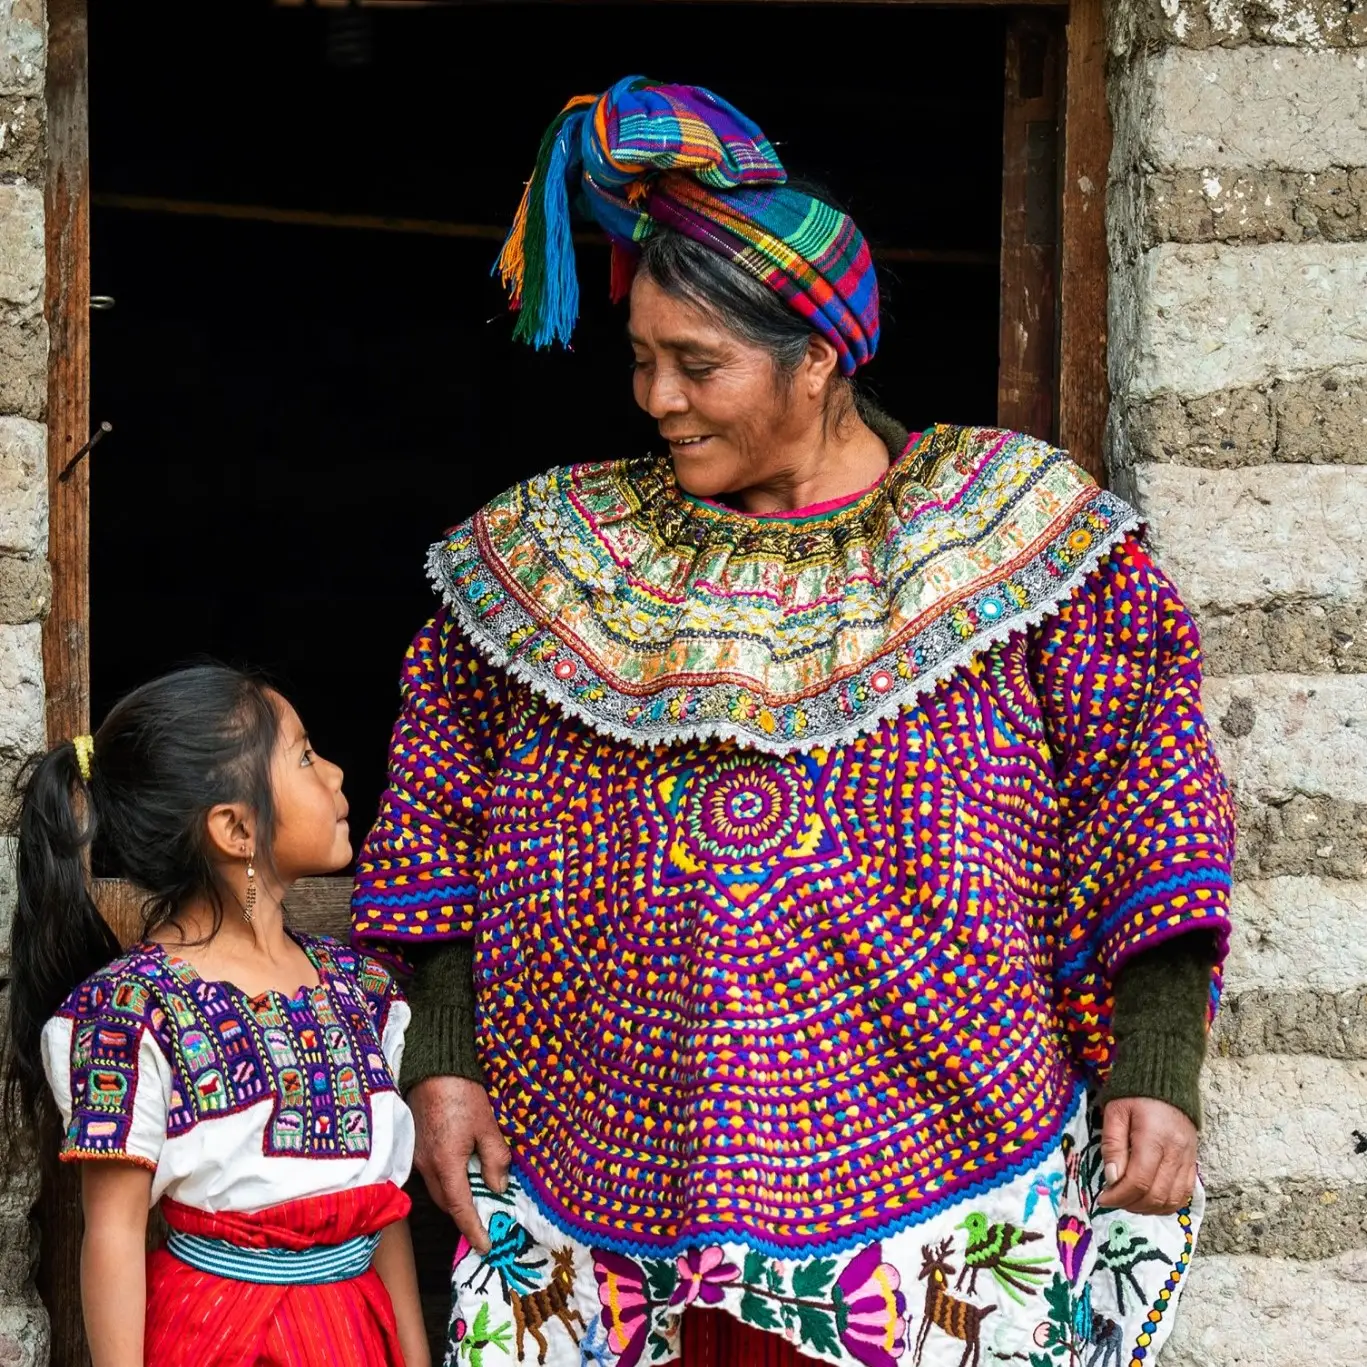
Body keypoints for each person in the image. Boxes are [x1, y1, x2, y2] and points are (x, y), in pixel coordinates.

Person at [353, 77, 1234, 1367]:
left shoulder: (1020, 532)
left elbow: (1147, 792)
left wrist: (1155, 1060)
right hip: (599, 1170)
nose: (655, 395)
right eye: (640, 357)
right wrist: (442, 1052)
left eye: (696, 363)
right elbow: (435, 808)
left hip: (945, 1171)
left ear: (818, 356)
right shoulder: (547, 557)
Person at [3, 667, 429, 1367]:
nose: (335, 771)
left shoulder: (361, 990)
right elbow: (111, 1238)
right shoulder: (128, 1014)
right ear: (236, 827)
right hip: (217, 1340)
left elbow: (381, 1208)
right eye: (303, 754)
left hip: (356, 1337)